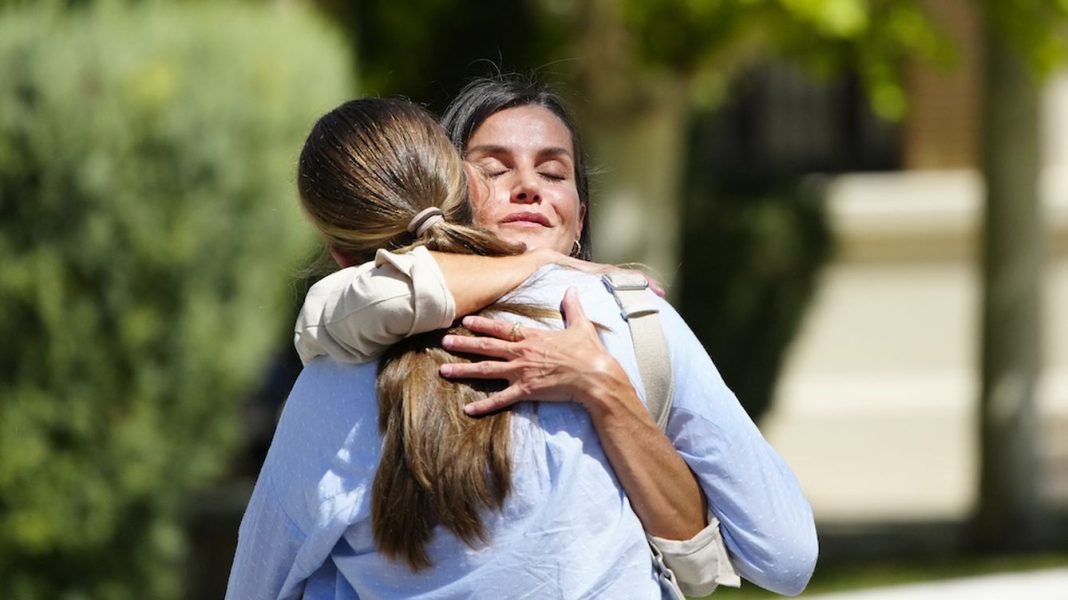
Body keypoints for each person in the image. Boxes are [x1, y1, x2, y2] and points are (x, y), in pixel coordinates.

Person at [291, 76, 818, 596]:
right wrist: (539, 262)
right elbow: (333, 306)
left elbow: (786, 554)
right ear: (443, 194)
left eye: (554, 171)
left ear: (579, 218)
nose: (529, 186)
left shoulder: (632, 319)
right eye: (494, 169)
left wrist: (606, 388)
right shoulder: (361, 334)